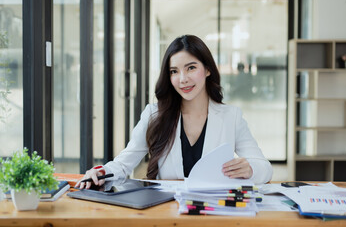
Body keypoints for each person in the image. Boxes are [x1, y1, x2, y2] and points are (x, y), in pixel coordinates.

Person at [76, 35, 272, 189]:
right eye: (174, 71)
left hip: (214, 213)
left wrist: (250, 169)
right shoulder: (154, 114)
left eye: (191, 68)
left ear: (208, 70)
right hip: (167, 212)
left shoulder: (231, 116)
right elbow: (123, 163)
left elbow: (265, 168)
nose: (183, 79)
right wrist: (102, 172)